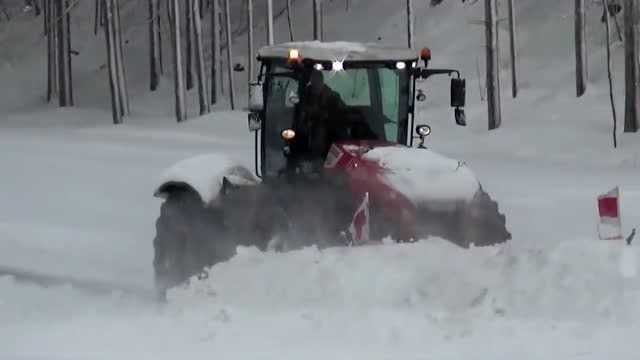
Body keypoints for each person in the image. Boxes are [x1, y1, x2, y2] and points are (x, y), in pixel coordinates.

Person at [296, 69, 347, 158]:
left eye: (317, 81)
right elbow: (298, 115)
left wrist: (327, 116)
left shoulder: (333, 97)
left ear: (322, 81)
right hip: (307, 135)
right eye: (313, 81)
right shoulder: (304, 97)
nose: (315, 84)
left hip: (330, 135)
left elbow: (344, 114)